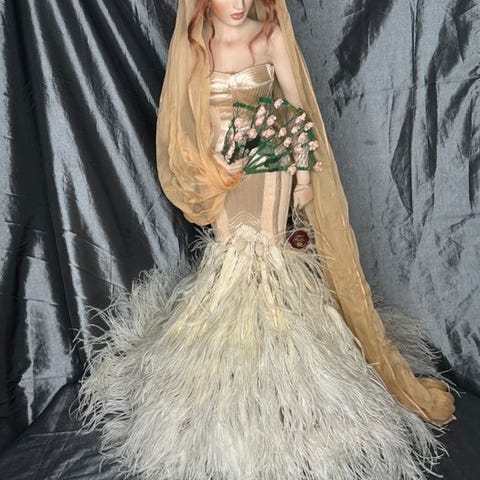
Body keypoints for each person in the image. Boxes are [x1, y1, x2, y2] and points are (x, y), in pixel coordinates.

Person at [74, 1, 456, 479]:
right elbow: (183, 120)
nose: (236, 4)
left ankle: (294, 392)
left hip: (272, 164)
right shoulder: (196, 41)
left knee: (270, 260)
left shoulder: (269, 34)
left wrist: (303, 175)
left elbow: (297, 109)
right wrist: (212, 164)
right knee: (230, 261)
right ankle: (230, 393)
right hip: (224, 176)